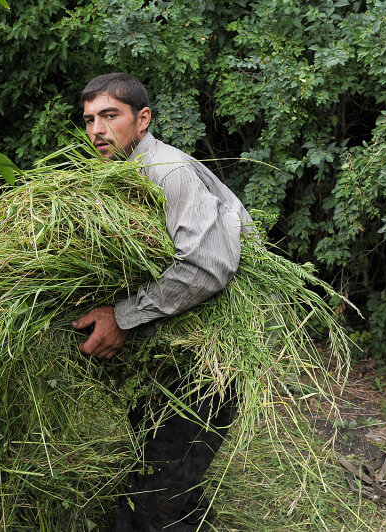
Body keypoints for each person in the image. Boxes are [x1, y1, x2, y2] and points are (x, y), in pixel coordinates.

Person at [71, 73, 252, 531]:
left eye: (110, 116)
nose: (97, 129)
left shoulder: (167, 172)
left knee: (154, 498)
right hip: (168, 360)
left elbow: (208, 266)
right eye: (89, 119)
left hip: (204, 368)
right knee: (167, 482)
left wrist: (124, 317)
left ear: (142, 118)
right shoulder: (121, 174)